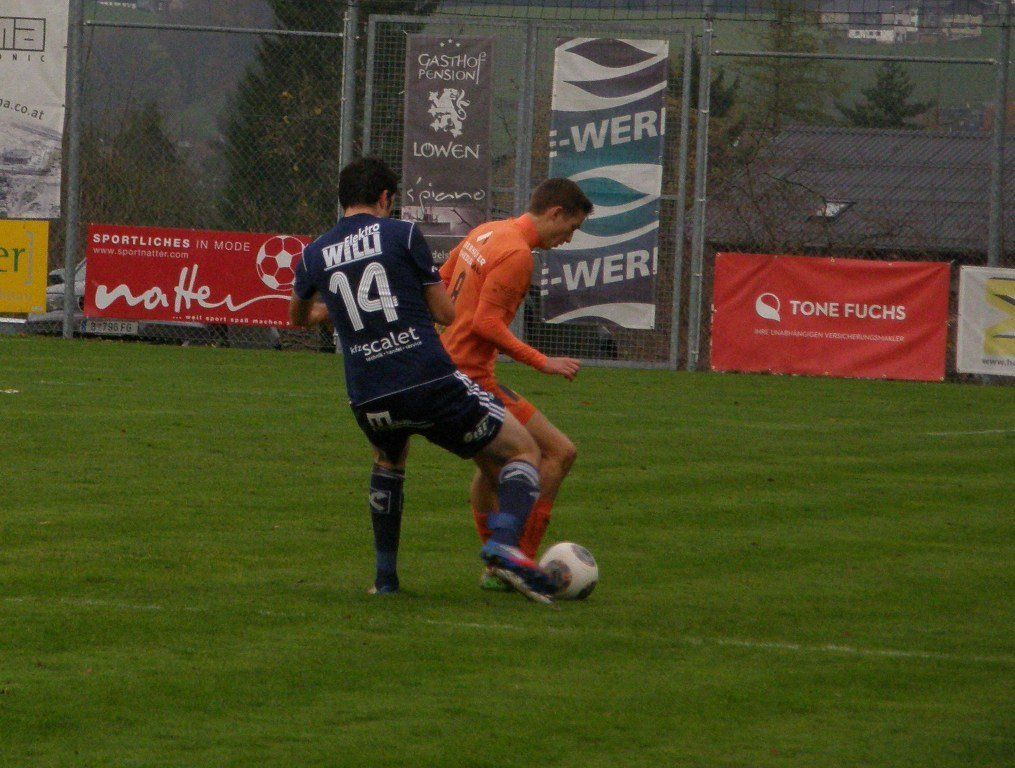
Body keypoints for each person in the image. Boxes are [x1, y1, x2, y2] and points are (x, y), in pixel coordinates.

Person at [289, 157, 556, 604]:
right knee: (523, 449)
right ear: (384, 198)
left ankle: (385, 580)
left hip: (368, 393)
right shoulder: (403, 234)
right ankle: (505, 544)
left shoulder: (313, 254)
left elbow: (298, 317)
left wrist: (331, 312)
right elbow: (445, 314)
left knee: (388, 461)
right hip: (426, 379)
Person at [438, 178, 593, 590]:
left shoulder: (487, 231)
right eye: (571, 228)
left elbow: (440, 281)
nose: (567, 239)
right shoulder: (517, 253)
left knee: (513, 464)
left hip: (459, 369)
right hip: (468, 378)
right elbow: (485, 323)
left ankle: (504, 562)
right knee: (544, 456)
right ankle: (512, 561)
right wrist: (543, 361)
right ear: (555, 213)